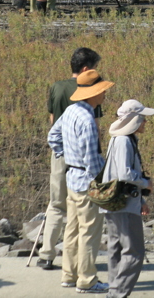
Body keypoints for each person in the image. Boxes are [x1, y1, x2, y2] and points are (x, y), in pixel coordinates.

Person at [48, 68, 115, 294]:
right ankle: (87, 280)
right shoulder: (87, 119)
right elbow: (91, 157)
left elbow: (53, 137)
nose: (104, 94)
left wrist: (67, 154)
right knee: (89, 233)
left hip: (72, 178)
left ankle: (69, 275)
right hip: (87, 181)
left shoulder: (70, 111)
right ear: (93, 93)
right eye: (102, 90)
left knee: (72, 229)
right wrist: (102, 181)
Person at [37, 47, 102, 271]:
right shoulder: (90, 89)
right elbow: (95, 126)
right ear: (85, 69)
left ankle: (46, 254)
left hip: (60, 153)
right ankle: (78, 261)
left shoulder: (57, 87)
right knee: (82, 209)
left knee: (56, 204)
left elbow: (52, 121)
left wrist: (59, 149)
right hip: (83, 157)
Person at [102, 100, 154, 298]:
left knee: (116, 248)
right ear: (133, 119)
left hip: (114, 203)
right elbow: (124, 174)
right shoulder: (125, 141)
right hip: (124, 204)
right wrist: (145, 183)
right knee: (134, 252)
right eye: (142, 118)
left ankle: (114, 289)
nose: (145, 122)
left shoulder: (117, 139)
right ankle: (117, 294)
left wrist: (141, 201)